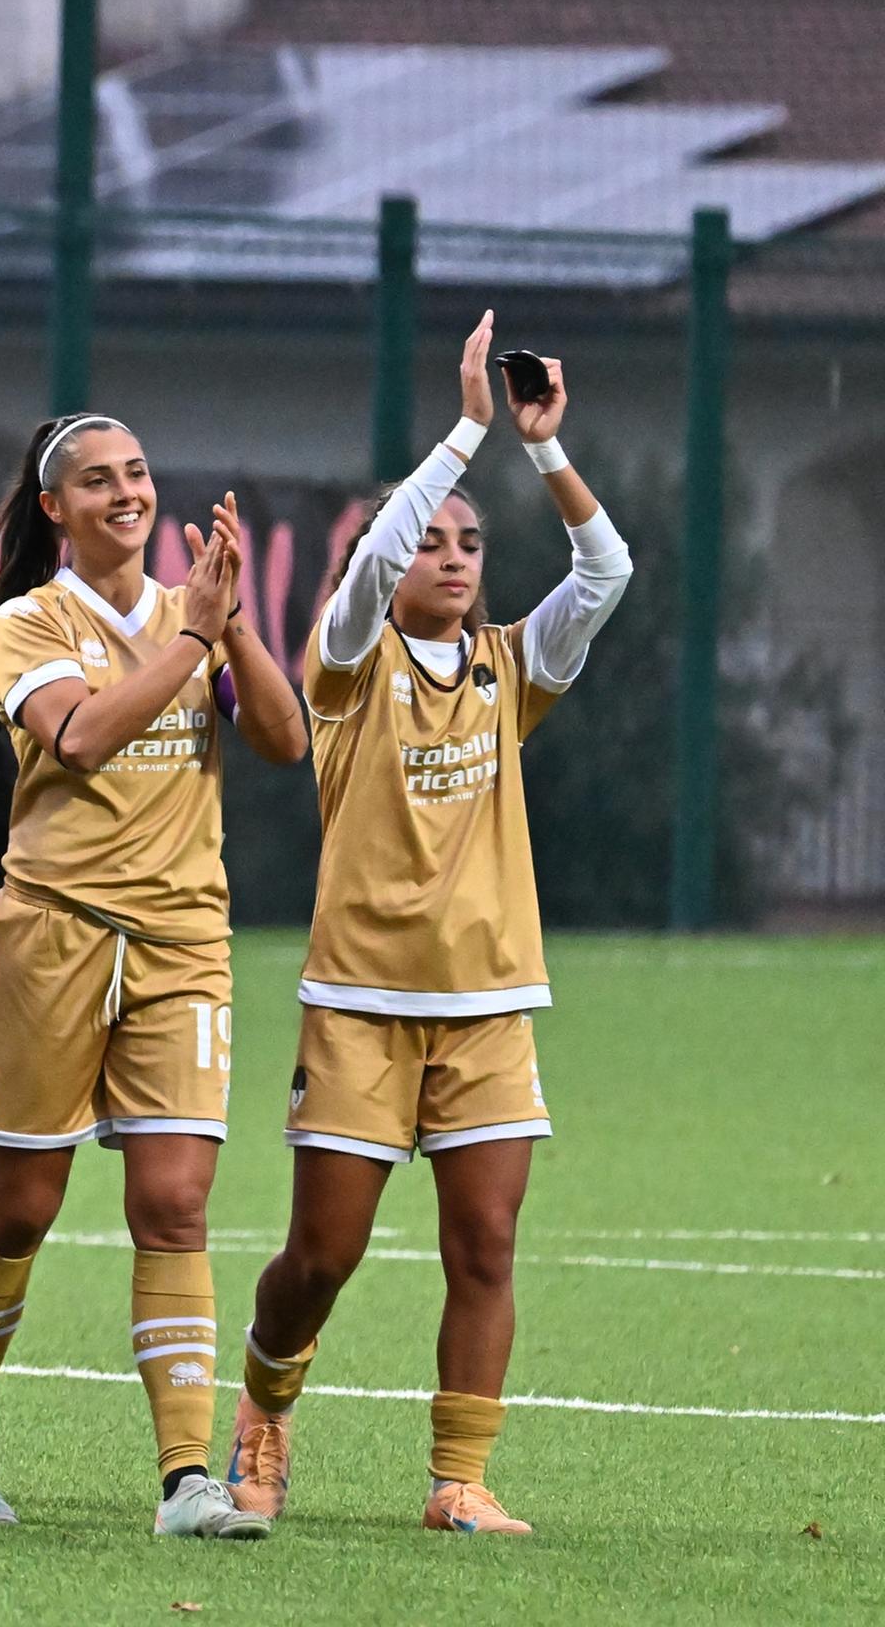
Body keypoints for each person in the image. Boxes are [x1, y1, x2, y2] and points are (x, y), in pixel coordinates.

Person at [224, 317, 629, 1537]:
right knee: (321, 1258)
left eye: (470, 543)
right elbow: (366, 567)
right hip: (359, 1005)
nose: (451, 555)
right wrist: (464, 433)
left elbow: (606, 574)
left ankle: (458, 1480)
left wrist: (545, 452)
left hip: (491, 1004)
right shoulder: (346, 666)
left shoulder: (514, 666)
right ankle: (263, 1416)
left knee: (488, 1245)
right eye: (431, 541)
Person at [0, 413, 307, 1536]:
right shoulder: (25, 622)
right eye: (97, 481)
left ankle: (188, 1480)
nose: (125, 494)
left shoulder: (194, 617)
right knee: (20, 1207)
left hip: (183, 942)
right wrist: (192, 639)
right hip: (52, 936)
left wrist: (229, 630)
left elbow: (286, 744)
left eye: (137, 473)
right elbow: (81, 737)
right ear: (55, 508)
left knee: (175, 1202)